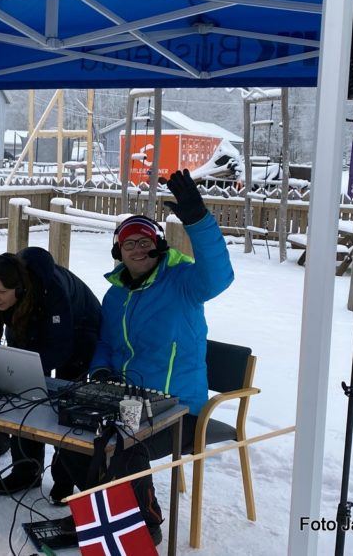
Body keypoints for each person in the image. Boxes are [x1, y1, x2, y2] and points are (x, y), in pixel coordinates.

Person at [55, 169, 234, 546]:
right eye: (128, 243)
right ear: (117, 251)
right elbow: (105, 343)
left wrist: (197, 219)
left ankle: (144, 521)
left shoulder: (183, 282)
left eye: (144, 240)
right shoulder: (116, 295)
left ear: (158, 245)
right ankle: (101, 514)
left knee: (123, 443)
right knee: (71, 434)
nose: (137, 248)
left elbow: (219, 275)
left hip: (180, 409)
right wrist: (100, 368)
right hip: (128, 401)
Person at [0, 247, 101, 497]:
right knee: (22, 396)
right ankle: (26, 471)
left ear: (19, 289)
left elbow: (60, 350)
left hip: (81, 328)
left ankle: (65, 479)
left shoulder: (53, 291)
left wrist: (24, 366)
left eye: (1, 293)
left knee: (67, 404)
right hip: (28, 322)